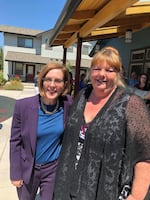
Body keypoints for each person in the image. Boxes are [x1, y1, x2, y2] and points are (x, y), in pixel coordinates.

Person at [53, 46, 150, 200]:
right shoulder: (81, 96)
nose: (102, 74)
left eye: (109, 70)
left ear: (118, 74)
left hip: (105, 191)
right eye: (97, 68)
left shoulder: (131, 104)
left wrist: (136, 196)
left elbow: (144, 156)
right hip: (66, 187)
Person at [10, 62, 72, 200]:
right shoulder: (23, 106)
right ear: (42, 81)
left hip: (53, 169)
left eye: (58, 81)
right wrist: (16, 173)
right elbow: (15, 141)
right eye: (48, 79)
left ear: (64, 84)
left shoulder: (69, 104)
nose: (52, 85)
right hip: (28, 168)